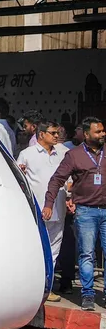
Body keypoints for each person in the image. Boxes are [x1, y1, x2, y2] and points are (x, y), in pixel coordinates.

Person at [44, 117, 106, 310]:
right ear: (86, 135)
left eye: (103, 130)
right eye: (98, 131)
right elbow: (57, 180)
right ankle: (88, 295)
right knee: (87, 254)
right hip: (85, 212)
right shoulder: (74, 155)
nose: (103, 134)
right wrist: (48, 204)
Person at [20, 121, 69, 300]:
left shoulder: (63, 153)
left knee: (54, 248)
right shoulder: (26, 154)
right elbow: (21, 181)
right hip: (39, 208)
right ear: (41, 134)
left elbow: (69, 179)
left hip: (60, 206)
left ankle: (47, 287)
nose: (57, 136)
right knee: (39, 247)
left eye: (57, 133)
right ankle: (35, 287)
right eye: (53, 133)